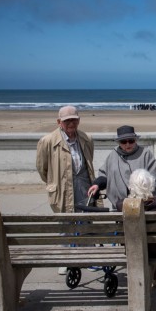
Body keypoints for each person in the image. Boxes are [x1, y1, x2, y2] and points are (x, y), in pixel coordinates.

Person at [36, 105, 96, 274]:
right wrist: (53, 184)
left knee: (86, 220)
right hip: (61, 189)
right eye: (67, 120)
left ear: (78, 121)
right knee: (64, 223)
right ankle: (65, 258)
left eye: (74, 120)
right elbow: (43, 169)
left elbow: (89, 161)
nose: (71, 123)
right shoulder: (47, 141)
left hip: (84, 185)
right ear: (59, 122)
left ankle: (89, 256)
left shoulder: (86, 138)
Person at [87, 125, 156, 210]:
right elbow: (104, 174)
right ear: (119, 142)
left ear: (135, 140)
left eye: (131, 141)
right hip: (119, 206)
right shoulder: (113, 155)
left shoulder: (145, 153)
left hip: (145, 205)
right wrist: (97, 184)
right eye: (123, 142)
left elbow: (154, 179)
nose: (128, 144)